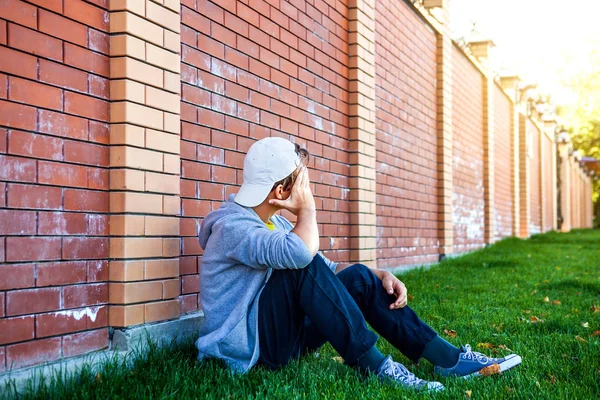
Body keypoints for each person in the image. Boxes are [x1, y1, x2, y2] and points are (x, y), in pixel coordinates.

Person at [196, 137, 521, 391]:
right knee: (303, 263)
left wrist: (377, 274)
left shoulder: (275, 224)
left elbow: (327, 268)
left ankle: (446, 358)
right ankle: (376, 367)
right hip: (248, 351)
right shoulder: (233, 227)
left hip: (282, 338)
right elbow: (302, 258)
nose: (307, 192)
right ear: (281, 190)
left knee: (359, 278)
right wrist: (307, 209)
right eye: (303, 185)